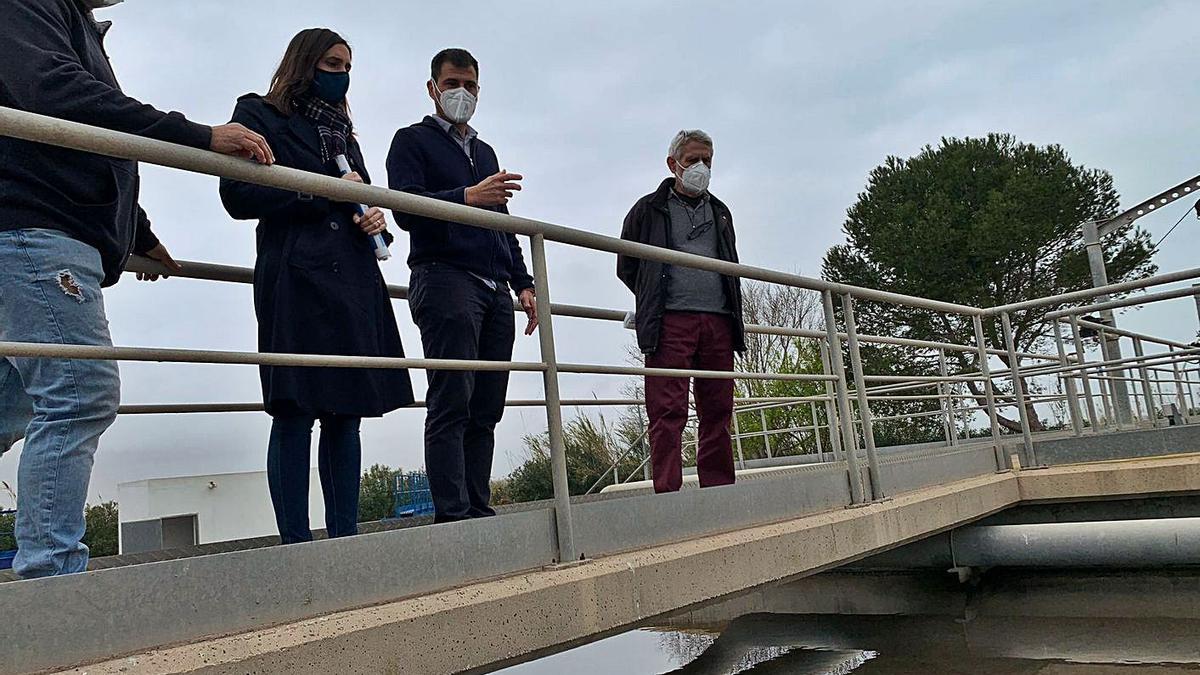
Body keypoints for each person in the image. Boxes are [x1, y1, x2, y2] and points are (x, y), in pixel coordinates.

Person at [0, 0, 273, 578]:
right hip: (33, 227)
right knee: (79, 392)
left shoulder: (71, 21)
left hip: (49, 231)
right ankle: (52, 584)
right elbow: (54, 92)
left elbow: (97, 144)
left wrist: (137, 234)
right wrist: (198, 136)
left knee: (11, 403)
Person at [219, 28, 414, 544]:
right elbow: (238, 195)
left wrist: (376, 219)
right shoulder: (259, 113)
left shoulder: (344, 132)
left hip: (351, 278)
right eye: (331, 63)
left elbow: (363, 195)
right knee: (294, 408)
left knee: (346, 410)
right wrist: (325, 194)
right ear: (305, 63)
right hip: (296, 276)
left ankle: (345, 539)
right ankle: (295, 545)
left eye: (347, 66)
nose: (341, 74)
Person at [386, 48, 537, 523]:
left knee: (487, 406)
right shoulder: (410, 141)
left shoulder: (485, 151)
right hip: (445, 279)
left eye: (471, 85)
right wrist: (467, 196)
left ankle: (477, 506)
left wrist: (524, 282)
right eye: (453, 83)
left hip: (493, 290)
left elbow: (501, 220)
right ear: (433, 88)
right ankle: (452, 515)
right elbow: (404, 208)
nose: (463, 94)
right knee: (452, 399)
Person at [617, 130, 746, 493]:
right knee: (667, 411)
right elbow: (627, 264)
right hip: (670, 322)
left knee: (718, 409)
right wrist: (653, 300)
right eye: (692, 160)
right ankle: (668, 494)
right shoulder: (647, 209)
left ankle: (719, 488)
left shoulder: (721, 212)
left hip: (719, 321)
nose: (701, 166)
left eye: (707, 159)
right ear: (673, 164)